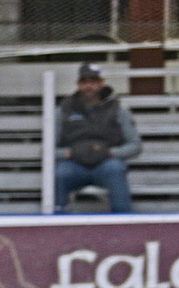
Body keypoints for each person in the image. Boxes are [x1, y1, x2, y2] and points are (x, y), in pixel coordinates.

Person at [54, 62, 142, 213]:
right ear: (78, 84)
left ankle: (124, 223)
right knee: (61, 172)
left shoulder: (118, 110)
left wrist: (110, 153)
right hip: (73, 165)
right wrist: (69, 153)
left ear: (101, 83)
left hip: (106, 164)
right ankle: (56, 222)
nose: (89, 86)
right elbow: (48, 149)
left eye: (93, 81)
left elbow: (135, 145)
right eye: (84, 82)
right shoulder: (63, 110)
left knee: (116, 168)